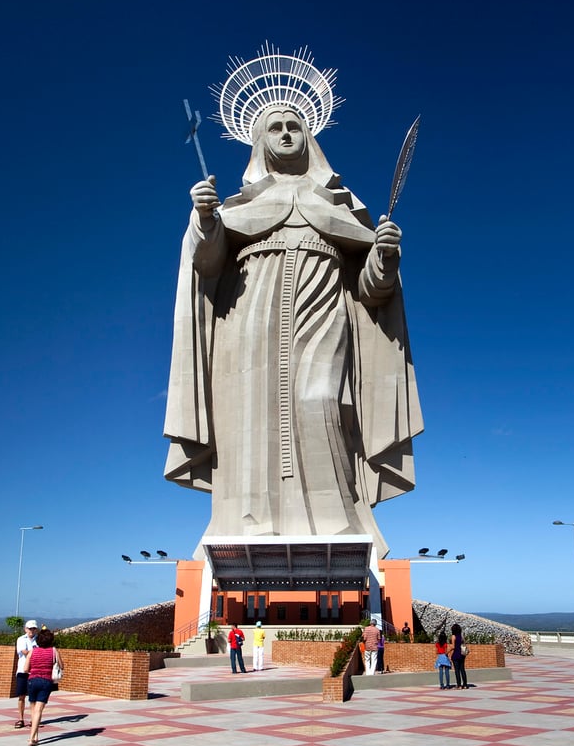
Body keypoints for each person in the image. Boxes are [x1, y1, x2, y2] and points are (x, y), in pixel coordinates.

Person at [164, 99, 423, 558]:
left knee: (323, 403)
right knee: (250, 418)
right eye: (275, 128)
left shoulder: (339, 204)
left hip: (324, 317)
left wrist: (383, 257)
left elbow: (372, 293)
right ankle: (248, 521)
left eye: (294, 126)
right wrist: (205, 220)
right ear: (260, 141)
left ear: (310, 137)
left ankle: (338, 519)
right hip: (248, 322)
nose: (286, 134)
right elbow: (206, 264)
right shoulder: (240, 205)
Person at [25, 628, 62, 746]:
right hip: (46, 681)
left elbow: (26, 669)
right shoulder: (53, 651)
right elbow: (61, 665)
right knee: (39, 710)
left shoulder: (32, 651)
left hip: (32, 680)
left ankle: (35, 735)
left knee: (33, 708)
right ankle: (32, 738)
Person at [13, 620, 39, 728]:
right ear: (25, 629)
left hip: (35, 671)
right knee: (21, 696)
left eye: (33, 629)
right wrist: (36, 653)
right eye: (29, 628)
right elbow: (24, 651)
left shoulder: (39, 640)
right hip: (23, 671)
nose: (31, 631)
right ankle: (20, 718)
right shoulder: (21, 639)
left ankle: (34, 719)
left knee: (34, 698)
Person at [451, 623, 471, 689]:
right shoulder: (461, 636)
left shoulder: (453, 636)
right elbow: (464, 644)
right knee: (462, 669)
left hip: (456, 654)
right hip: (462, 654)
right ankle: (465, 684)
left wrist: (448, 652)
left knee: (457, 670)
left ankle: (459, 685)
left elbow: (453, 647)